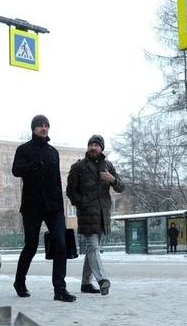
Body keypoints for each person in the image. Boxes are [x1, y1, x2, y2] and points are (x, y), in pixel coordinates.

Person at [11, 115, 76, 302]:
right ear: (33, 128)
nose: (44, 128)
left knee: (61, 245)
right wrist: (33, 165)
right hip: (32, 205)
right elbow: (16, 170)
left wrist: (61, 205)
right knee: (31, 245)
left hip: (54, 206)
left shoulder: (53, 152)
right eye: (40, 125)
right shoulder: (23, 149)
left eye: (46, 125)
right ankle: (19, 282)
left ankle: (60, 289)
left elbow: (57, 180)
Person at [66, 134, 125, 296]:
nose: (93, 147)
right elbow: (70, 191)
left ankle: (85, 283)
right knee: (92, 247)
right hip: (86, 214)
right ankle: (102, 280)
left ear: (101, 148)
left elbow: (121, 187)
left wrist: (113, 180)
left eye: (96, 145)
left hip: (102, 215)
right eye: (90, 144)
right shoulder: (78, 167)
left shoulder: (108, 165)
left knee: (93, 250)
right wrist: (81, 202)